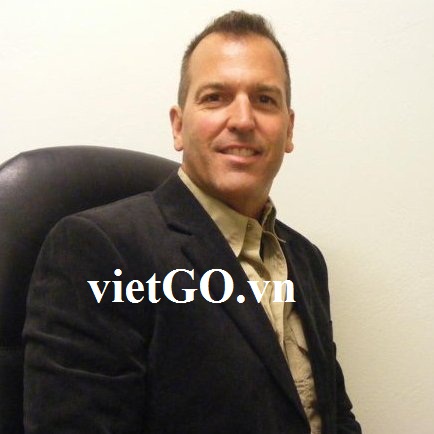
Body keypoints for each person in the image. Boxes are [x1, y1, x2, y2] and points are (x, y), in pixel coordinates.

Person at [23, 10, 362, 434]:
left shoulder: (306, 260)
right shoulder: (101, 252)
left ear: (288, 130)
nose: (242, 119)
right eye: (216, 97)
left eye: (264, 99)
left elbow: (334, 415)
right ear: (179, 126)